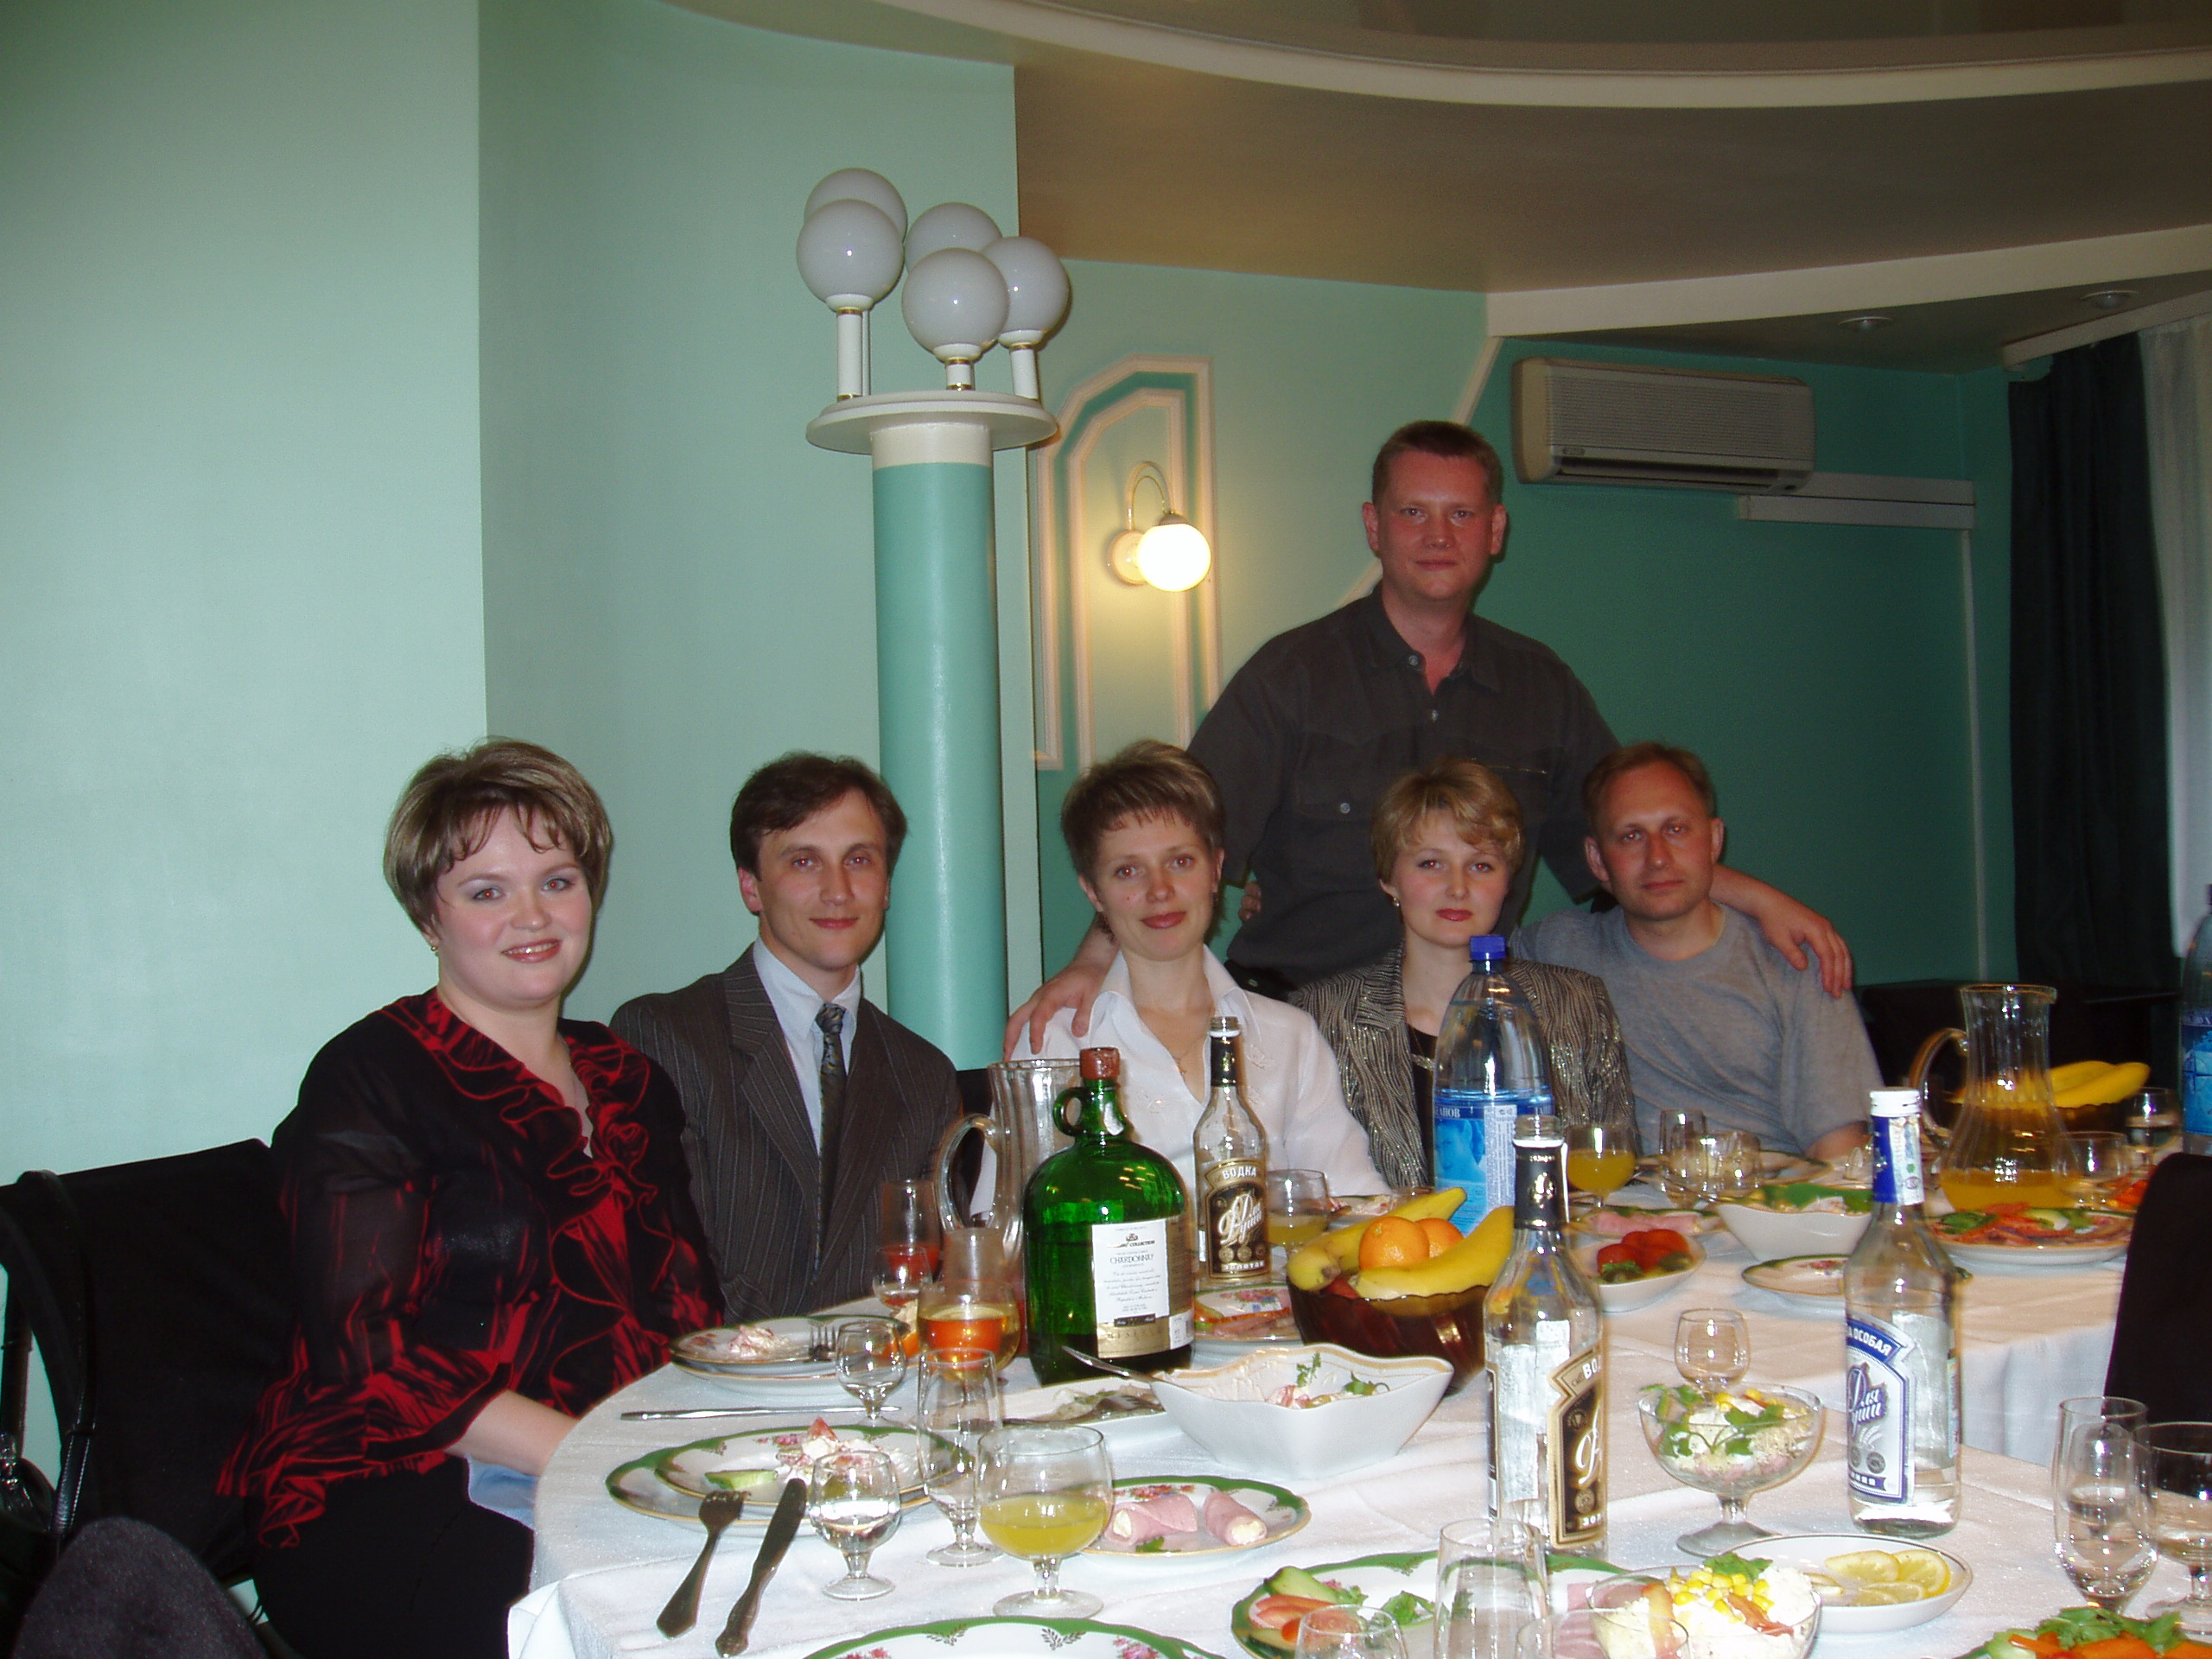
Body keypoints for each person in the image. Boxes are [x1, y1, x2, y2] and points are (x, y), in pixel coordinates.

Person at [1009, 420, 1851, 1052]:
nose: (1438, 537)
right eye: (1413, 512)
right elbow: (1166, 842)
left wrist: (1759, 900)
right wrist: (1090, 964)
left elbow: (1632, 844)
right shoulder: (1291, 677)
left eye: (1461, 514)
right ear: (1374, 526)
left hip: (1476, 1034)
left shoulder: (1542, 687)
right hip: (1305, 1033)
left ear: (1495, 531)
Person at [221, 741, 721, 1659]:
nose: (532, 916)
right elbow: (368, 1357)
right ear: (429, 917)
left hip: (610, 1458)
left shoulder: (625, 1076)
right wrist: (599, 1457)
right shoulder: (371, 1076)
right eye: (486, 891)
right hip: (391, 1482)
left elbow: (686, 1307)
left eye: (557, 881)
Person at [613, 753, 961, 1322]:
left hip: (872, 1373)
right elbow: (668, 1270)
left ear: (886, 886)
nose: (838, 890)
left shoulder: (924, 1075)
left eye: (859, 859)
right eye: (804, 861)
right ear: (751, 887)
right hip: (719, 1371)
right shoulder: (666, 1037)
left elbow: (923, 1280)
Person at [1014, 740, 1383, 1197]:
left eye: (1180, 862)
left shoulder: (1291, 1037)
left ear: (1216, 870)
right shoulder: (1056, 1043)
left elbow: (1353, 1199)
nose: (1160, 890)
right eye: (1128, 871)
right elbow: (1009, 1221)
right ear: (1094, 892)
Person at [1517, 741, 1877, 1162]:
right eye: (1631, 836)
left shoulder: (1795, 960)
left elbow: (1839, 1152)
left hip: (1765, 1195)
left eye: (1676, 830)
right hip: (1619, 1199)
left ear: (1714, 840)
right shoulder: (1557, 949)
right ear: (1597, 860)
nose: (1657, 857)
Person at [1294, 758, 1634, 1189]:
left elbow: (1613, 1185)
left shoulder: (1578, 1004)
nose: (1458, 887)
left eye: (1481, 866)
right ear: (1389, 878)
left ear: (1508, 882)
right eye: (1430, 864)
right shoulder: (1321, 1019)